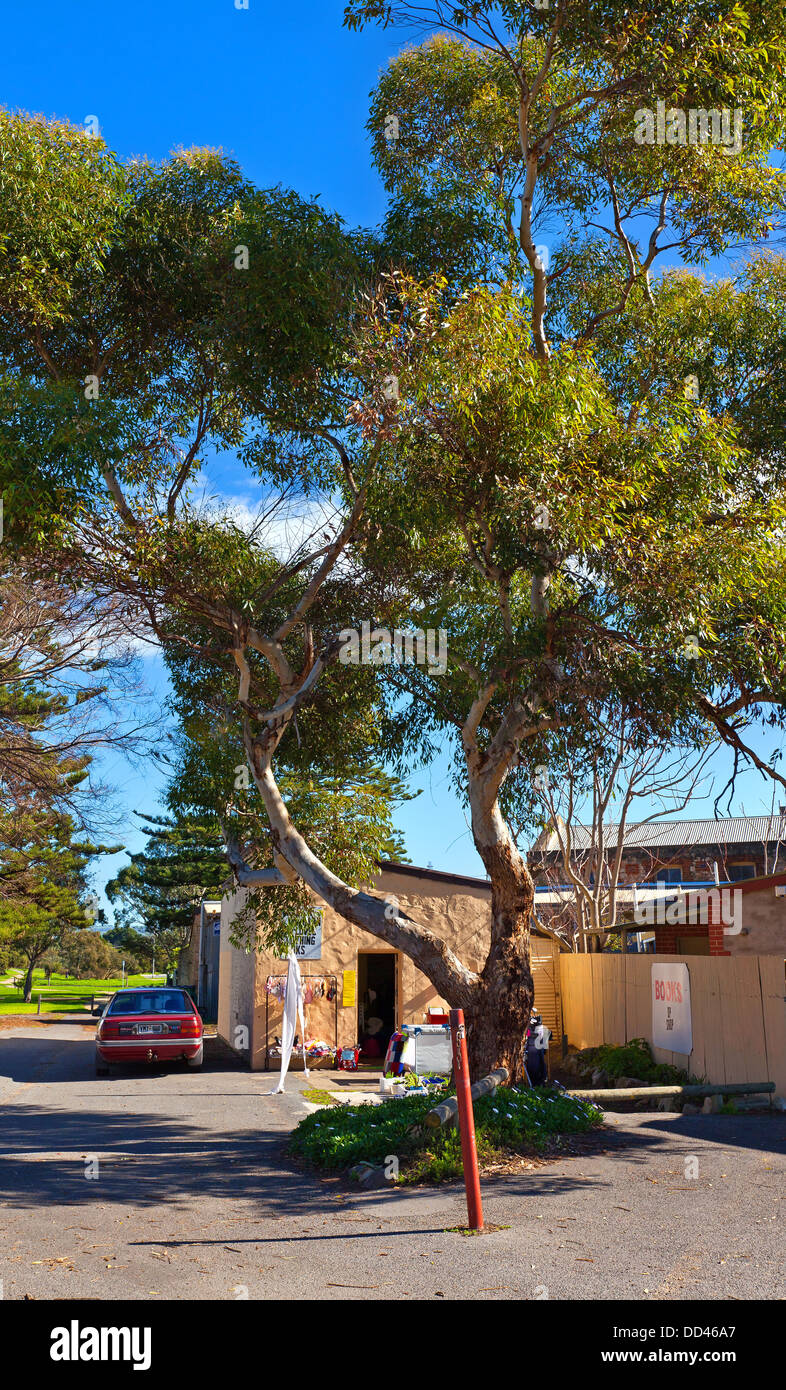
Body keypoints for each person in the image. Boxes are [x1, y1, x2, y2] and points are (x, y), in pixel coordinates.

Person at [525, 1012, 551, 1086]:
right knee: (537, 1064)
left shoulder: (541, 1030)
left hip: (534, 1049)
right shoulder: (532, 1030)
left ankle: (540, 1080)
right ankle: (540, 1080)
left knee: (539, 1064)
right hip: (533, 1050)